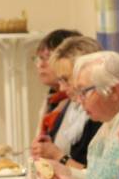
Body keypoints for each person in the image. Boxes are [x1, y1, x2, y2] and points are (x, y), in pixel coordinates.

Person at [44, 51, 119, 179]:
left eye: (84, 92)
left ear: (114, 91)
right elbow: (98, 177)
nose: (78, 101)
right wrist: (65, 171)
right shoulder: (111, 120)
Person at [31, 35, 102, 169]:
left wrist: (58, 156)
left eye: (65, 79)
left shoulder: (99, 112)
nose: (62, 88)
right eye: (60, 81)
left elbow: (96, 178)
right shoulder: (72, 106)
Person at [30, 28, 80, 146]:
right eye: (39, 58)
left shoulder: (80, 102)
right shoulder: (52, 98)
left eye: (47, 58)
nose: (40, 65)